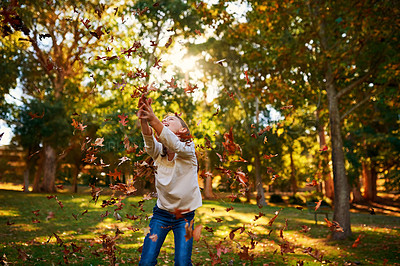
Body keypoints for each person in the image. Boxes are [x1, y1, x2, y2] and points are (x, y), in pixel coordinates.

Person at [136, 94, 202, 266]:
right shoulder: (159, 152)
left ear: (182, 131)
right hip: (161, 214)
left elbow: (174, 144)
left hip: (185, 217)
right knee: (146, 261)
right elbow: (150, 143)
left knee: (182, 262)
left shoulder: (188, 149)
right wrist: (144, 119)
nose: (165, 121)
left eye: (170, 119)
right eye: (163, 119)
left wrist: (155, 120)